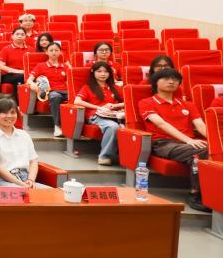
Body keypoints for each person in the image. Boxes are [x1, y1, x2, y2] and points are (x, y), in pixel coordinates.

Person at [138, 68, 210, 212]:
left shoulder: (188, 105)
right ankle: (195, 194)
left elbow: (201, 126)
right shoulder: (146, 102)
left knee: (213, 149)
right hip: (163, 143)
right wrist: (188, 140)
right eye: (166, 79)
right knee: (201, 151)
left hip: (188, 144)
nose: (171, 82)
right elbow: (161, 124)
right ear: (155, 82)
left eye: (175, 79)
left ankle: (212, 194)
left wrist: (218, 142)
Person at [0, 98, 47, 188]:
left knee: (55, 194)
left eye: (13, 112)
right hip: (2, 179)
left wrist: (31, 180)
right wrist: (19, 184)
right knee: (21, 192)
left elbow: (33, 161)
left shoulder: (24, 135)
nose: (9, 116)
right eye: (4, 113)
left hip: (26, 178)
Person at [72, 61, 123, 165]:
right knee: (113, 127)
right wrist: (99, 107)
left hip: (115, 115)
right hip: (96, 115)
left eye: (106, 71)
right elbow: (77, 101)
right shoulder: (87, 87)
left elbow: (128, 102)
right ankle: (104, 156)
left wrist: (115, 106)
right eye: (99, 71)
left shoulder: (115, 87)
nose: (103, 74)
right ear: (93, 73)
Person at [26, 42, 70, 136]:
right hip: (51, 92)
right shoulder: (41, 66)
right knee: (55, 96)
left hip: (65, 91)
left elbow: (70, 82)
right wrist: (32, 84)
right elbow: (29, 80)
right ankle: (57, 126)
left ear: (60, 52)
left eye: (56, 50)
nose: (54, 52)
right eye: (51, 50)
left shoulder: (65, 67)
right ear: (47, 52)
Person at [0, 27, 31, 96]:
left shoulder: (30, 49)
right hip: (9, 75)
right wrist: (17, 71)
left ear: (25, 36)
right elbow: (1, 66)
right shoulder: (6, 49)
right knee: (19, 77)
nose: (20, 36)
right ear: (12, 36)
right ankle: (19, 100)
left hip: (26, 74)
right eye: (17, 34)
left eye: (22, 34)